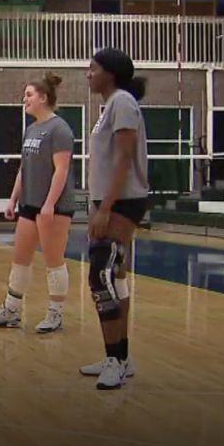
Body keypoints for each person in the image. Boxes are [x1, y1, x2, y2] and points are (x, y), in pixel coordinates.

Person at [79, 48, 149, 390]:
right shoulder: (111, 106)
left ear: (110, 72)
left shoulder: (122, 102)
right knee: (114, 277)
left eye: (93, 68)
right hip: (108, 201)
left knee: (100, 275)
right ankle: (120, 358)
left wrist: (106, 208)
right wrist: (97, 205)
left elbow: (124, 159)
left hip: (123, 201)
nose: (88, 74)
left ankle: (114, 360)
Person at [0, 73, 76, 334]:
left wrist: (49, 204)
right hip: (29, 204)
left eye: (29, 95)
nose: (24, 99)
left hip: (54, 207)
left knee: (53, 260)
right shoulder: (31, 130)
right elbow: (24, 169)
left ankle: (56, 314)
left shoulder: (60, 129)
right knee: (20, 258)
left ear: (43, 98)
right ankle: (11, 310)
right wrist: (13, 199)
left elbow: (62, 170)